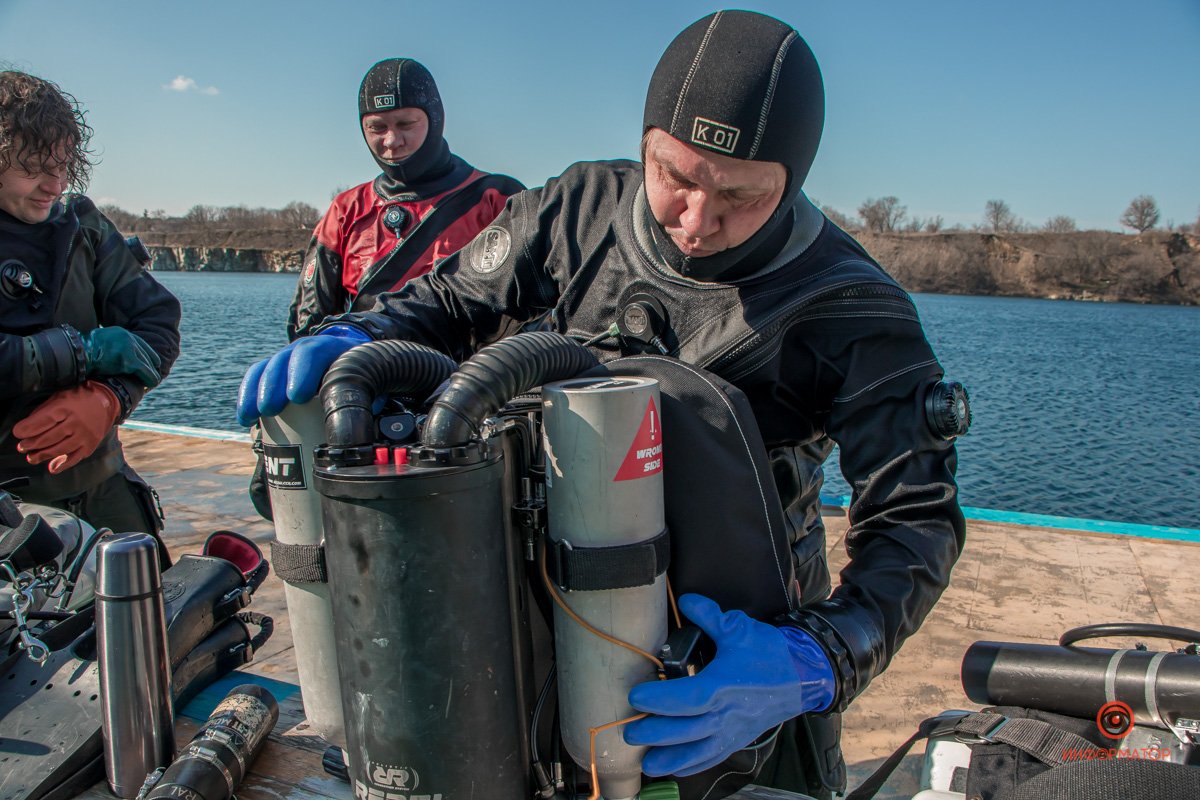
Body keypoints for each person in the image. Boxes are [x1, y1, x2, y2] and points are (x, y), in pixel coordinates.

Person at [238, 11, 967, 799]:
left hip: (739, 646)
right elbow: (446, 301)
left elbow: (914, 521)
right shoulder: (580, 207)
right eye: (675, 176)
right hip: (557, 598)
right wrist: (357, 333)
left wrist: (821, 656)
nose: (695, 221)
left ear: (791, 181)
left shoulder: (854, 309)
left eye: (741, 196)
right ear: (647, 138)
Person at [0, 69, 181, 541]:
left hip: (103, 491)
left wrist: (110, 397)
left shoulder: (83, 225)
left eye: (62, 166)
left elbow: (157, 322)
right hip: (9, 513)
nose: (53, 185)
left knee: (150, 611)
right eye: (33, 168)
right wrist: (83, 353)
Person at [286, 57, 524, 339]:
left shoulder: (497, 198)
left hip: (477, 376)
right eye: (377, 127)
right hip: (369, 372)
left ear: (434, 120)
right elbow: (309, 323)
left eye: (405, 124)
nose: (391, 141)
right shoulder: (345, 210)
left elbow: (540, 306)